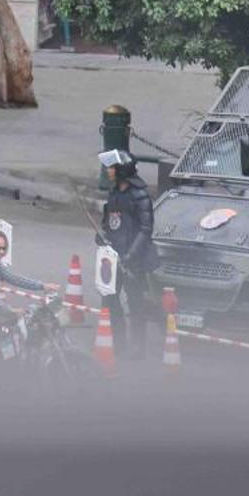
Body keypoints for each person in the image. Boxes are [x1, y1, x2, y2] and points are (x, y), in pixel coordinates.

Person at [101, 150, 157, 358]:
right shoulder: (114, 192)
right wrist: (103, 236)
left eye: (112, 167)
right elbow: (110, 221)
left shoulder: (139, 195)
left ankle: (138, 346)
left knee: (135, 304)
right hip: (113, 257)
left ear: (122, 170)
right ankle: (119, 343)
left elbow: (145, 229)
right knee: (111, 301)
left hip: (133, 260)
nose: (108, 171)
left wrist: (131, 255)